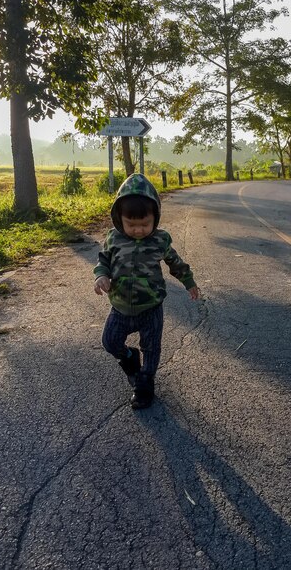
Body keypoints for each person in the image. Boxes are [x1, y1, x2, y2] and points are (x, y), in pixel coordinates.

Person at [94, 173, 199, 409]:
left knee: (151, 348)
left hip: (151, 307)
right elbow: (103, 261)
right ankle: (130, 358)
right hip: (120, 307)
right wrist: (101, 275)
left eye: (144, 224)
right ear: (120, 219)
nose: (138, 230)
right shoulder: (114, 239)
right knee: (110, 342)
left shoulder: (160, 241)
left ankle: (144, 384)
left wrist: (189, 282)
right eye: (131, 224)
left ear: (155, 218)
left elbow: (176, 263)